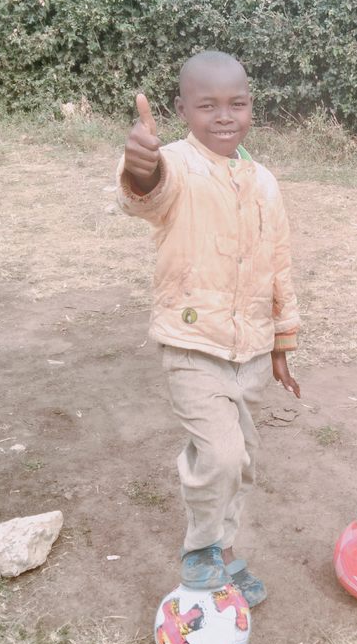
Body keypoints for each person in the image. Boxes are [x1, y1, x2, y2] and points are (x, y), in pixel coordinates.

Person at [115, 50, 301, 607]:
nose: (224, 116)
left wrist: (282, 341)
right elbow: (147, 193)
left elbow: (279, 263)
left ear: (251, 106)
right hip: (192, 345)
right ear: (182, 110)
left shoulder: (264, 181)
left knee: (240, 462)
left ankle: (222, 550)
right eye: (207, 106)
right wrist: (140, 166)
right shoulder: (175, 163)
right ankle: (200, 549)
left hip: (251, 352)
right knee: (219, 454)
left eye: (236, 104)